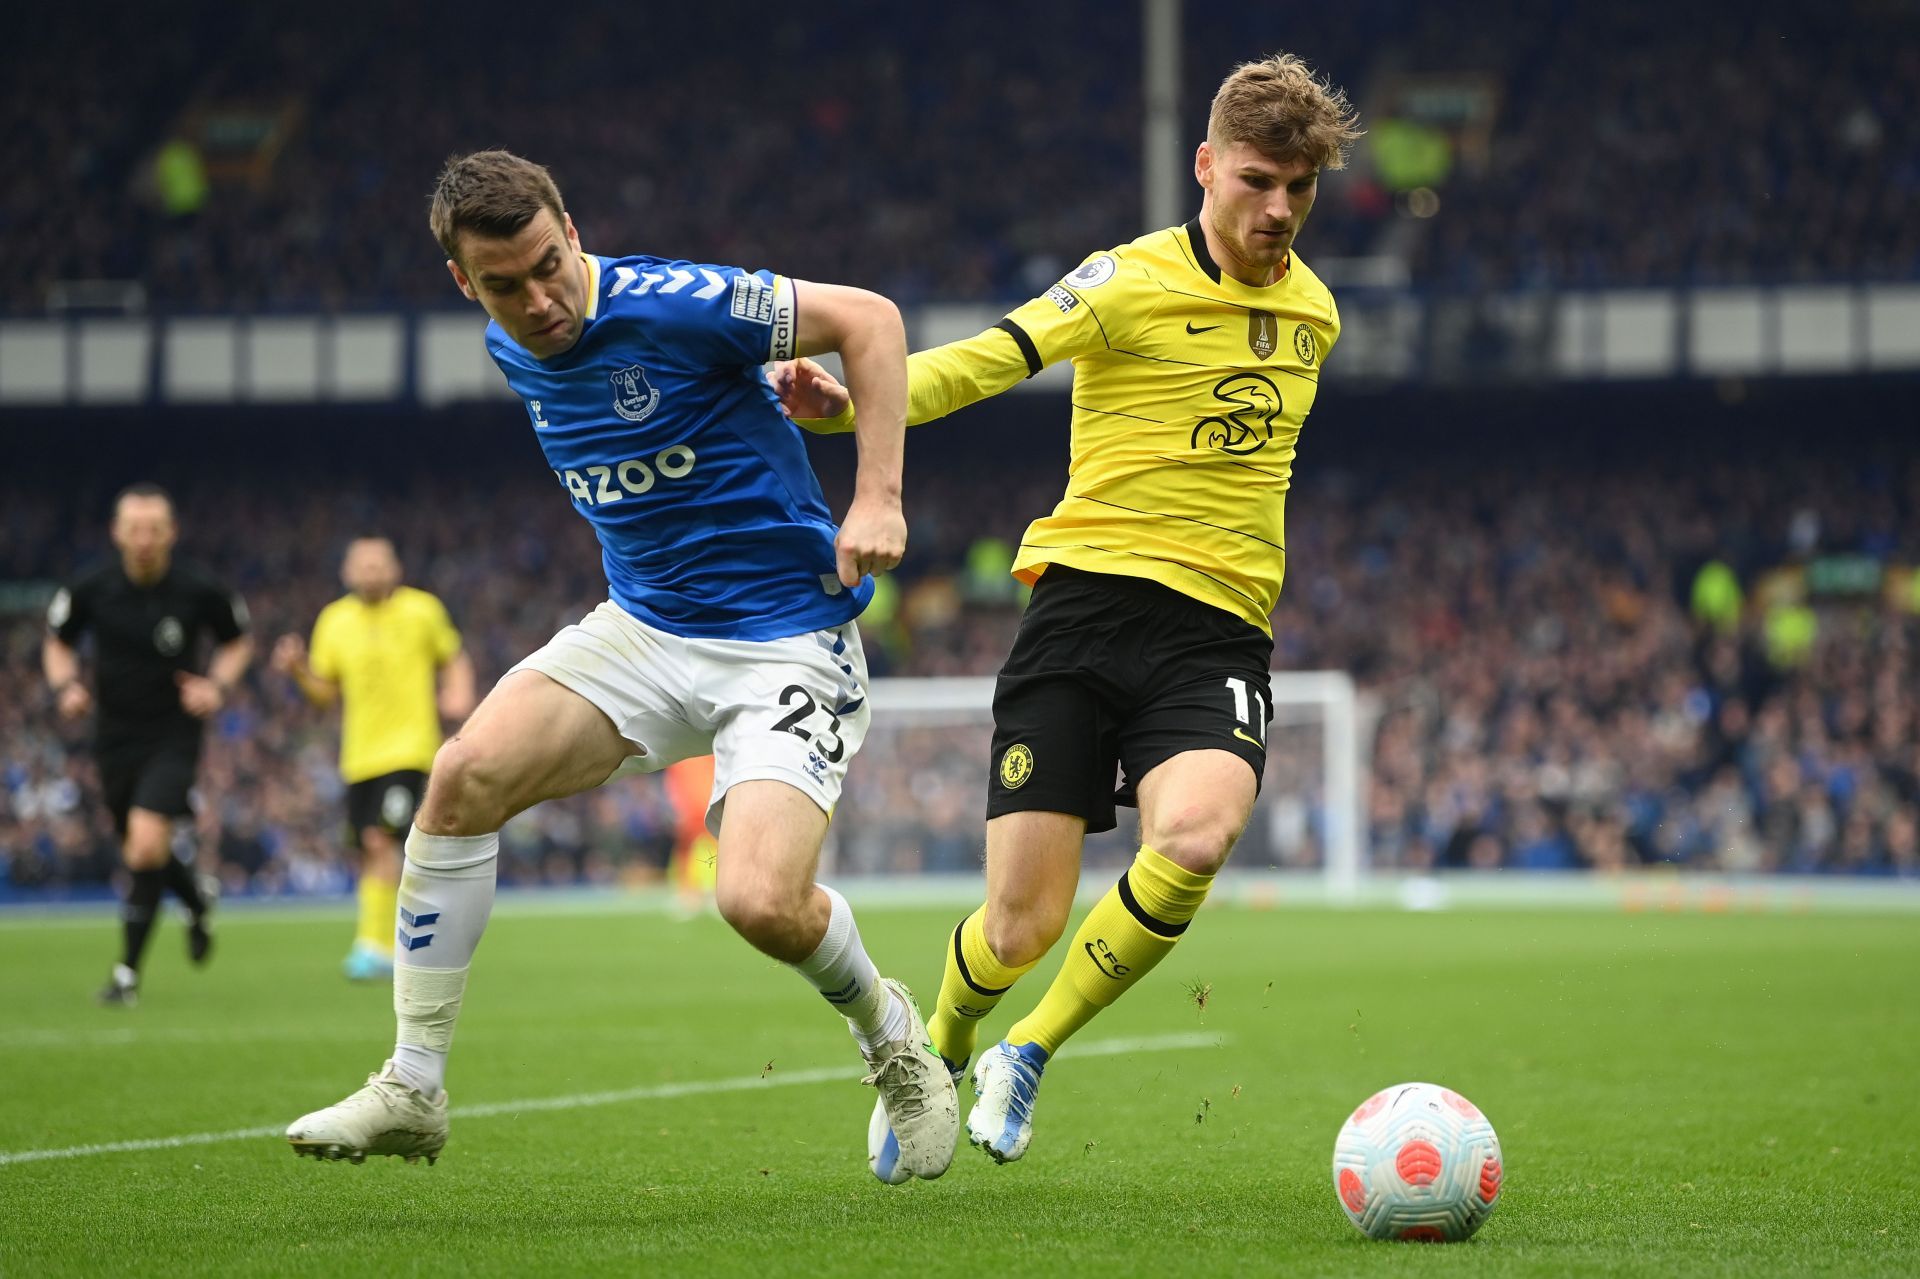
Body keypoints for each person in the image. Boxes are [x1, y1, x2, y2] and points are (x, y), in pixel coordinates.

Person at [285, 150, 958, 1181]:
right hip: (643, 629)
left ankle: (893, 1040)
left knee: (759, 903)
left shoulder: (678, 303)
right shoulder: (511, 346)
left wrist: (877, 497)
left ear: (574, 230)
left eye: (551, 265)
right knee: (460, 781)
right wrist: (755, 384)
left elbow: (870, 319)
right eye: (506, 286)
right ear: (466, 284)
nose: (540, 300)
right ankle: (414, 1085)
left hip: (783, 633)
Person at [780, 53, 1362, 1170]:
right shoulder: (1125, 280)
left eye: (1301, 187)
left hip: (1217, 631)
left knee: (1195, 831)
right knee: (1018, 926)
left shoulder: (1315, 314)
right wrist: (857, 404)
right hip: (1084, 612)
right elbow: (989, 361)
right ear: (1204, 167)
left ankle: (1032, 1049)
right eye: (1257, 181)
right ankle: (937, 1049)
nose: (1280, 208)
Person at [42, 482, 254, 1006]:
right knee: (144, 851)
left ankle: (126, 976)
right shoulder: (91, 589)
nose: (144, 538)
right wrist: (66, 686)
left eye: (154, 529)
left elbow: (237, 639)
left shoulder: (198, 590)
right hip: (113, 735)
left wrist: (217, 686)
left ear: (171, 533)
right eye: (134, 528)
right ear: (116, 533)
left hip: (173, 733)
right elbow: (58, 642)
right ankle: (196, 899)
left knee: (144, 841)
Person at [271, 537, 476, 982]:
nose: (371, 571)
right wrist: (299, 671)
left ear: (395, 567)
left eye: (379, 563)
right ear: (347, 572)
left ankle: (375, 943)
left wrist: (458, 691)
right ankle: (391, 940)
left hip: (409, 750)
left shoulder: (422, 610)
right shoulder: (334, 620)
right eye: (362, 565)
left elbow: (453, 654)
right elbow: (325, 694)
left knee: (382, 841)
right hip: (359, 757)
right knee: (368, 847)